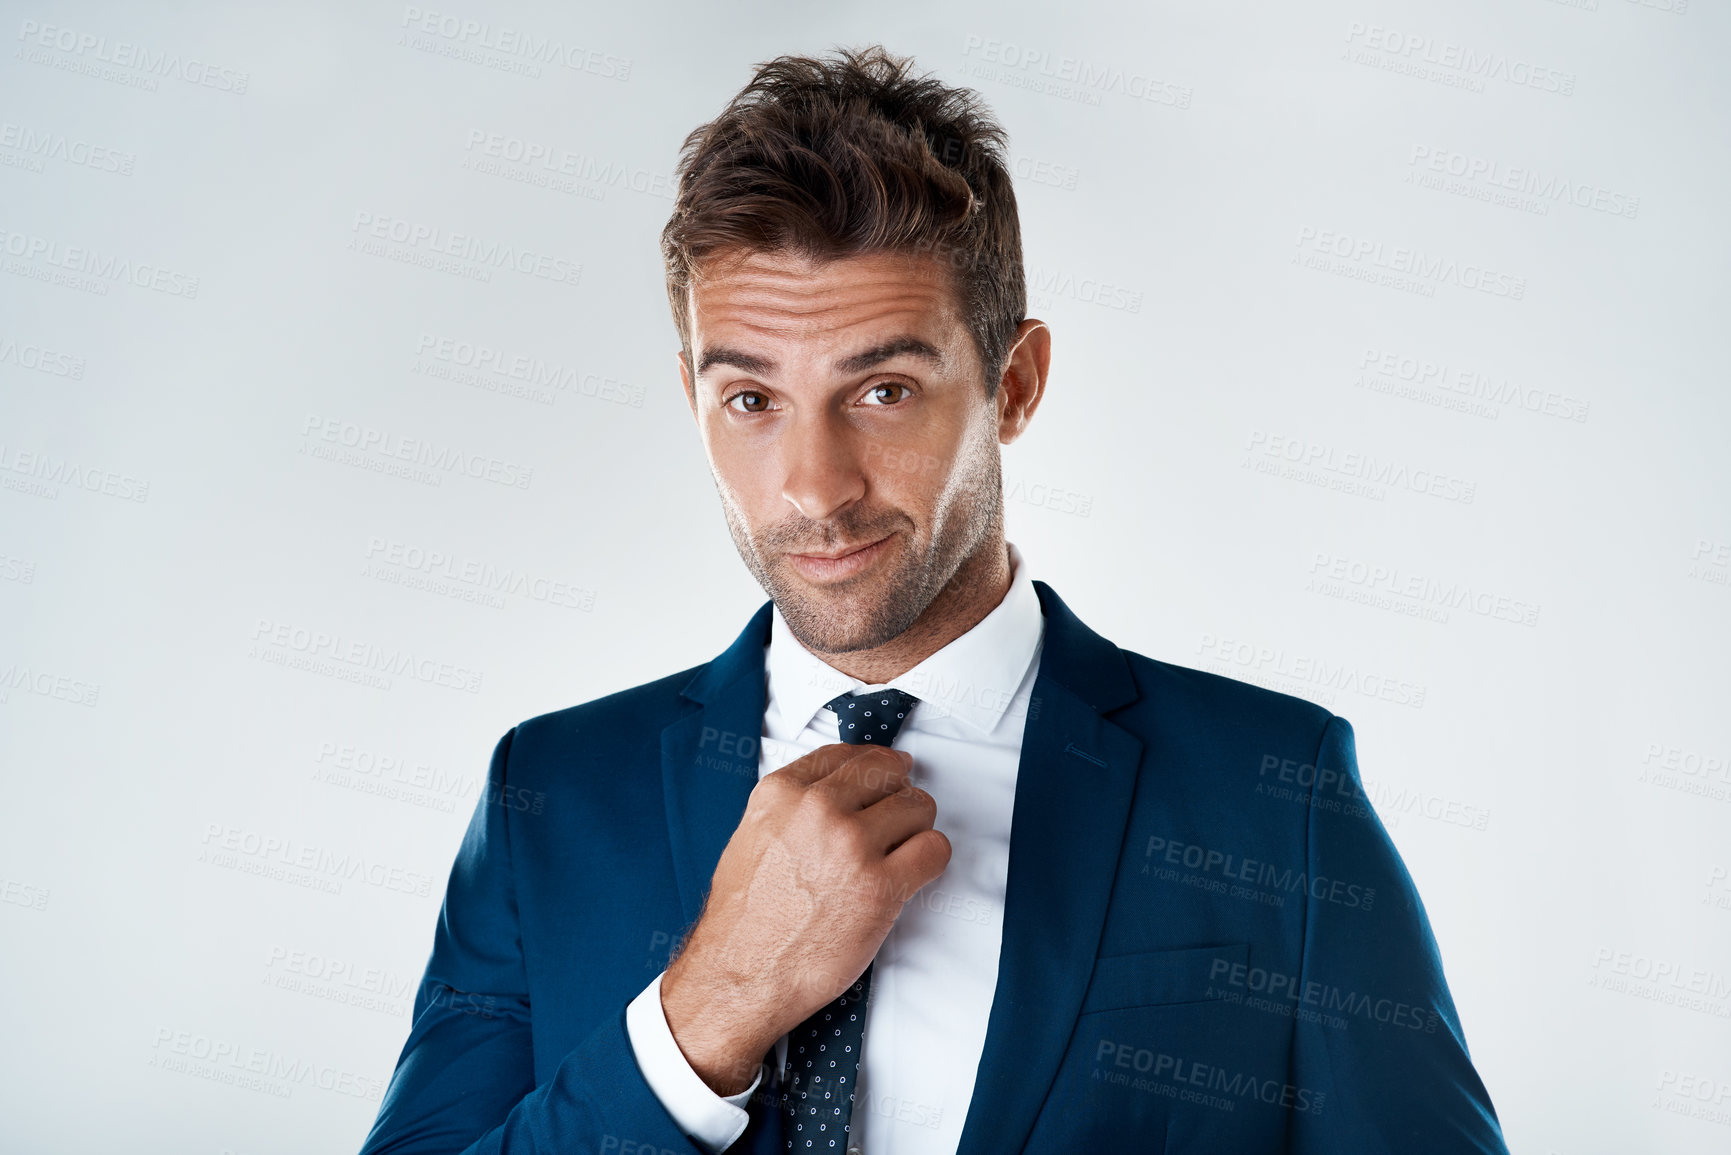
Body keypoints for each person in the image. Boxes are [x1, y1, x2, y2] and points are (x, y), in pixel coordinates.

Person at [359, 45, 1509, 1155]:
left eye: (884, 388)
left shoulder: (1271, 791)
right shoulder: (552, 793)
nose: (813, 486)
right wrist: (704, 1013)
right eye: (751, 400)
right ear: (692, 399)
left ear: (1014, 383)